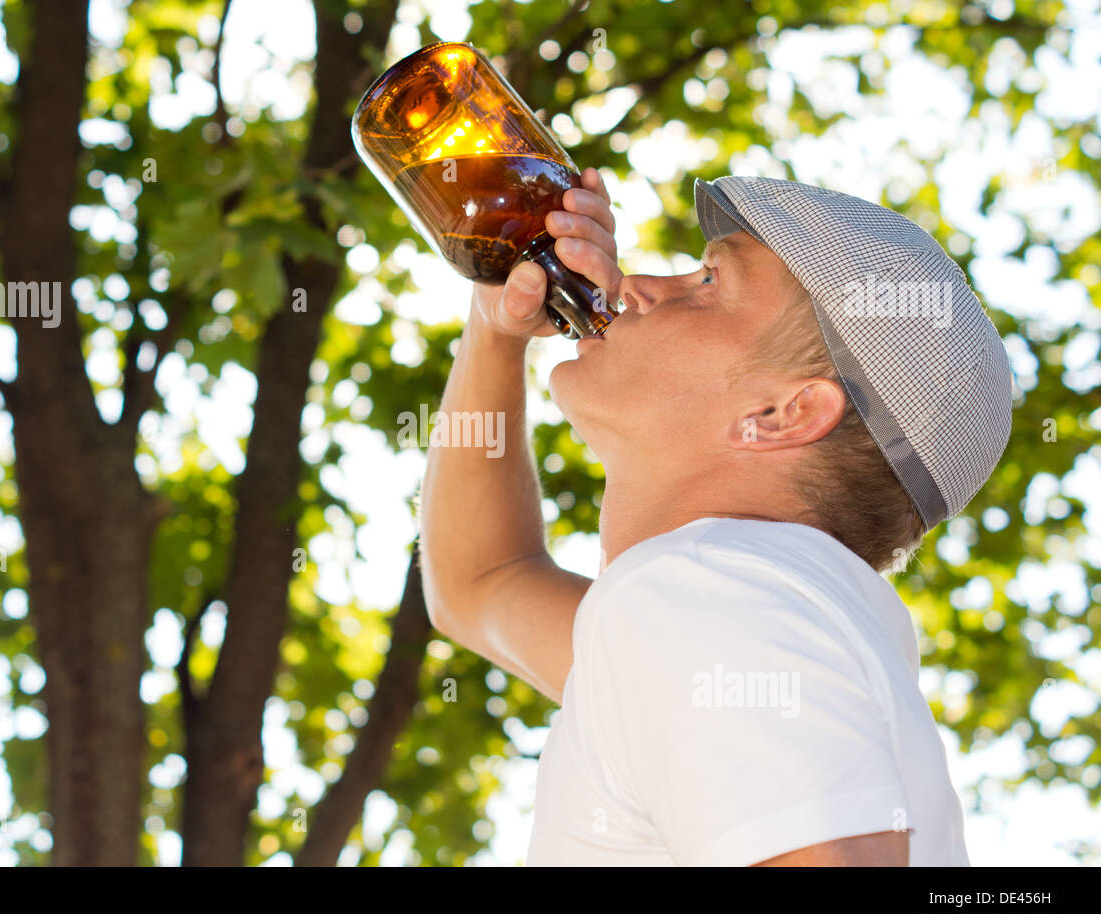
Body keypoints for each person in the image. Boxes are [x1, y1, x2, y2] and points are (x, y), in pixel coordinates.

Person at [417, 168, 1013, 866]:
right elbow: (481, 582)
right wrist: (493, 334)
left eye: (707, 284)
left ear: (782, 413)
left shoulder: (708, 594)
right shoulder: (753, 608)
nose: (635, 285)